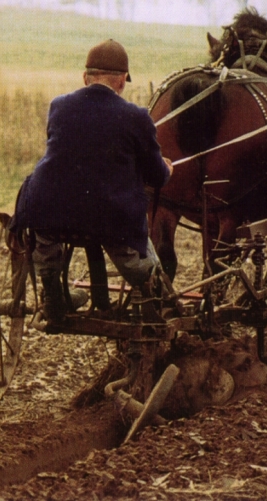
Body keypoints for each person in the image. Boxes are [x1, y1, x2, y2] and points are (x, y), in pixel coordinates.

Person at [10, 39, 173, 323]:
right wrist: (167, 169)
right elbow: (156, 176)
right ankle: (152, 296)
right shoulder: (136, 117)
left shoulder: (58, 106)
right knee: (143, 267)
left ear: (85, 78)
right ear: (122, 82)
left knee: (45, 239)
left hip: (48, 210)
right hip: (111, 220)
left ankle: (52, 295)